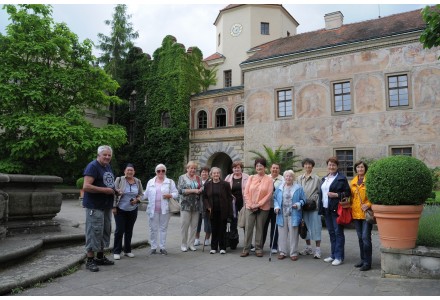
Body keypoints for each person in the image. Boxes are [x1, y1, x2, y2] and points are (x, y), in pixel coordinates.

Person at [82, 145, 117, 272]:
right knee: (93, 231)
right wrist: (105, 190)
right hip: (95, 206)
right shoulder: (92, 166)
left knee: (104, 231)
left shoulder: (107, 166)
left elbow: (108, 183)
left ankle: (100, 257)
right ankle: (90, 260)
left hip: (106, 205)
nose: (107, 157)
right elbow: (86, 186)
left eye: (109, 155)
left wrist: (115, 190)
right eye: (105, 155)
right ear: (99, 155)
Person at [318, 156, 351, 266]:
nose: (331, 167)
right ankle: (333, 255)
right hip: (326, 209)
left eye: (333, 165)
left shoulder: (341, 178)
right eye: (330, 165)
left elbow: (348, 193)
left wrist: (336, 195)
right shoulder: (324, 178)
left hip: (336, 210)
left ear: (337, 166)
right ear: (327, 166)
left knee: (338, 233)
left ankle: (339, 256)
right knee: (331, 233)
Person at [240, 157, 273, 257]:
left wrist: (258, 205)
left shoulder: (269, 179)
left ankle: (259, 249)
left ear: (265, 167)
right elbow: (246, 193)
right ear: (255, 167)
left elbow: (269, 194)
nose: (259, 167)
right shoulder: (251, 178)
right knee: (248, 228)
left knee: (260, 229)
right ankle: (246, 249)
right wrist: (250, 204)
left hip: (263, 208)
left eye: (261, 166)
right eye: (257, 166)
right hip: (250, 207)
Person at [144, 164, 178, 256]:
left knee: (163, 228)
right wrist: (137, 198)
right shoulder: (151, 182)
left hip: (165, 209)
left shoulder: (169, 181)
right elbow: (145, 194)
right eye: (159, 171)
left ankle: (162, 247)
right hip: (152, 209)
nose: (161, 172)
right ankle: (153, 247)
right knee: (153, 229)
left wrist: (170, 195)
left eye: (163, 170)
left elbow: (176, 193)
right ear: (156, 172)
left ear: (165, 171)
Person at [112, 163, 144, 260]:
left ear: (134, 172)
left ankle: (127, 250)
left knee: (129, 230)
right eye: (128, 170)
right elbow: (113, 193)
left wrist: (137, 200)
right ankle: (116, 251)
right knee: (119, 230)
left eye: (131, 170)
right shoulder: (120, 179)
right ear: (125, 171)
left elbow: (141, 194)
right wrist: (113, 207)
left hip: (132, 210)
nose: (130, 172)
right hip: (120, 209)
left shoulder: (137, 181)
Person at [274, 170, 306, 261]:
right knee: (282, 235)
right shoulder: (280, 187)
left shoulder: (298, 188)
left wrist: (298, 204)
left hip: (294, 214)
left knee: (293, 234)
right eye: (287, 176)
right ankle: (282, 252)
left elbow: (304, 200)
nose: (288, 178)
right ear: (284, 177)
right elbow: (275, 199)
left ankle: (293, 253)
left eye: (290, 176)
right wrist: (276, 207)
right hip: (281, 213)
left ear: (293, 178)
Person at [203, 167, 233, 254]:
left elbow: (229, 198)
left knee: (222, 229)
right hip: (212, 210)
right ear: (211, 174)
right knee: (214, 228)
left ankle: (222, 247)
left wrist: (230, 212)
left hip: (223, 210)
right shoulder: (207, 184)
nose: (216, 175)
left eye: (218, 173)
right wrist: (207, 206)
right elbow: (205, 198)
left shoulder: (225, 184)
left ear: (220, 174)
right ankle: (213, 247)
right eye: (214, 173)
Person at [296, 158, 322, 259]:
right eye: (306, 164)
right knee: (304, 227)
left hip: (313, 207)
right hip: (302, 207)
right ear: (303, 166)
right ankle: (308, 247)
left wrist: (317, 205)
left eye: (309, 164)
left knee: (316, 228)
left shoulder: (317, 179)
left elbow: (320, 193)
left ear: (312, 166)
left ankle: (318, 249)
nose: (307, 166)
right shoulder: (299, 178)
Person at [350, 160, 373, 271]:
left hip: (365, 214)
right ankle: (362, 260)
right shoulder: (353, 182)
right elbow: (352, 198)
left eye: (362, 167)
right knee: (360, 238)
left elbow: (373, 196)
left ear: (365, 169)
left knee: (365, 238)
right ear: (356, 169)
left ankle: (368, 262)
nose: (360, 169)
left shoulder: (369, 181)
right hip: (356, 213)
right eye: (358, 167)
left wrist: (368, 205)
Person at [177, 161, 203, 252]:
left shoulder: (198, 178)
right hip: (185, 205)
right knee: (185, 225)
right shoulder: (182, 177)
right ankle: (183, 244)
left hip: (196, 205)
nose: (193, 170)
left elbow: (201, 188)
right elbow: (180, 190)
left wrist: (200, 189)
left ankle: (191, 244)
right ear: (187, 168)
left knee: (194, 226)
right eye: (191, 168)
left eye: (194, 168)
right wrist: (194, 190)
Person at [224, 161, 250, 250]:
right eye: (235, 168)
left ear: (241, 168)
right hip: (232, 203)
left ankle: (248, 243)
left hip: (244, 202)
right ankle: (233, 241)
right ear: (232, 169)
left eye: (238, 167)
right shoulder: (228, 177)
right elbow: (225, 189)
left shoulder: (247, 177)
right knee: (233, 222)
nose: (236, 169)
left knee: (246, 223)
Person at [262, 163, 284, 254]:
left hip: (276, 207)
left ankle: (274, 246)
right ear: (270, 169)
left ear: (279, 170)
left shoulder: (283, 179)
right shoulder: (265, 178)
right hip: (265, 206)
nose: (275, 169)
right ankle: (260, 245)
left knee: (275, 227)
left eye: (277, 168)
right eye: (273, 168)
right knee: (263, 227)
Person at [195, 166, 211, 247]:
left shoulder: (210, 182)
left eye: (206, 172)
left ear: (208, 173)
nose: (204, 173)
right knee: (197, 222)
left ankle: (207, 239)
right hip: (197, 205)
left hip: (207, 205)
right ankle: (196, 239)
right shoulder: (197, 181)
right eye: (203, 172)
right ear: (200, 173)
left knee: (207, 223)